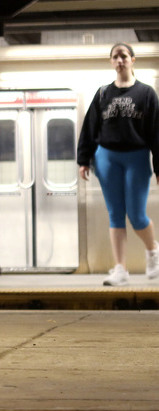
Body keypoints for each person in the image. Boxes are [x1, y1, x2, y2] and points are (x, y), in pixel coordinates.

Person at [78, 42, 159, 286]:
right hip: (107, 157)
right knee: (115, 214)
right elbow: (90, 127)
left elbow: (156, 131)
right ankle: (120, 269)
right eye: (115, 57)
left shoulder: (146, 94)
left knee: (136, 214)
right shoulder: (103, 93)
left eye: (124, 56)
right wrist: (84, 159)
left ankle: (153, 252)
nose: (120, 60)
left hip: (137, 156)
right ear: (111, 62)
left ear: (133, 60)